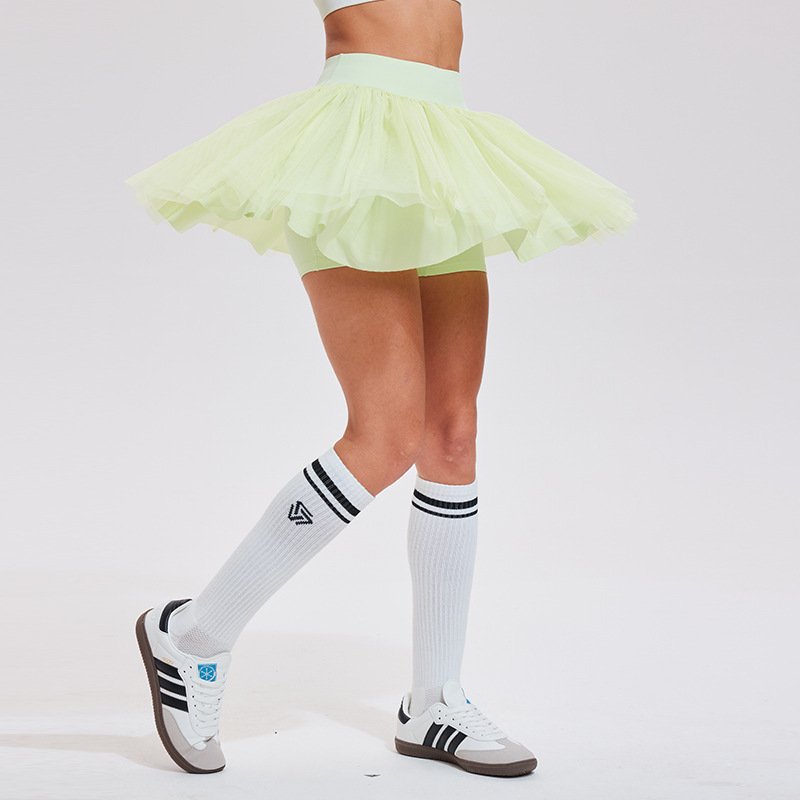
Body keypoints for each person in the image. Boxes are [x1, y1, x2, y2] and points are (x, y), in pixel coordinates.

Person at [126, 0, 636, 780]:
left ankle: (435, 700)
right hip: (356, 148)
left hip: (444, 142)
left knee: (451, 434)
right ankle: (194, 635)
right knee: (386, 434)